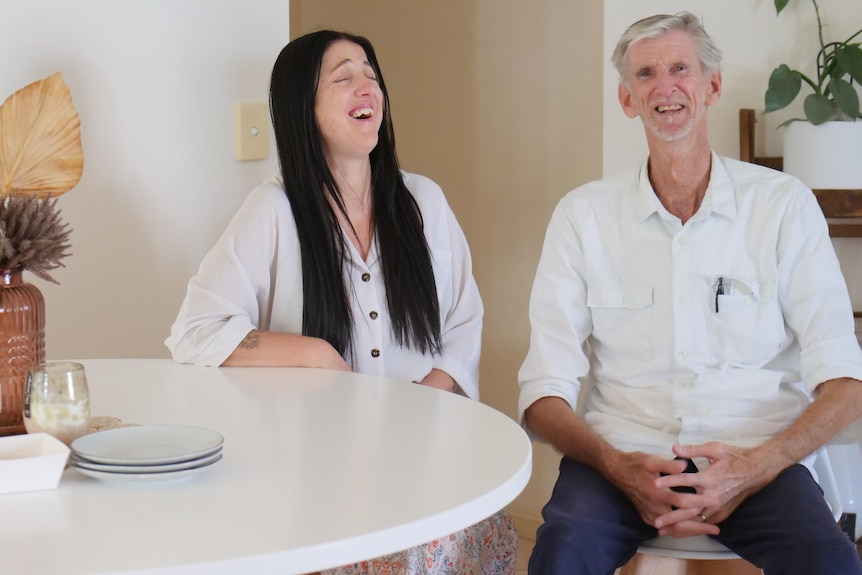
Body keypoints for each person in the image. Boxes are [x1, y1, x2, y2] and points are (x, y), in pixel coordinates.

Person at [518, 11, 862, 575]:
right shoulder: (583, 217)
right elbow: (541, 395)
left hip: (757, 461)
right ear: (628, 99)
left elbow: (846, 382)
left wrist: (756, 467)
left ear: (712, 85)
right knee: (563, 551)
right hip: (618, 461)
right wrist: (616, 465)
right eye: (647, 74)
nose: (666, 86)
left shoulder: (783, 206)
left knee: (832, 564)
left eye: (681, 68)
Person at [165, 30, 517, 575]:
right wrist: (313, 355)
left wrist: (427, 399)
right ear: (302, 106)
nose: (366, 87)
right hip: (318, 470)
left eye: (371, 75)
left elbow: (464, 321)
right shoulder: (274, 209)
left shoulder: (424, 200)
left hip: (424, 452)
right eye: (343, 76)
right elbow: (196, 331)